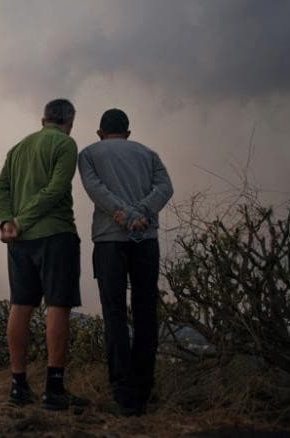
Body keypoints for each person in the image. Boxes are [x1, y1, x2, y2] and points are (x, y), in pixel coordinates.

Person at [0, 98, 88, 410]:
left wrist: (8, 221)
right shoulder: (65, 144)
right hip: (55, 235)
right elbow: (56, 190)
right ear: (69, 121)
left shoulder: (18, 148)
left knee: (20, 305)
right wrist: (19, 221)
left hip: (20, 242)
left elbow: (1, 188)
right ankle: (54, 389)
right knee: (57, 306)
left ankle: (18, 386)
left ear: (42, 119)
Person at [78, 108, 173, 416]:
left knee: (114, 313)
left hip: (109, 241)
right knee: (146, 312)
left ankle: (123, 392)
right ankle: (145, 390)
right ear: (128, 132)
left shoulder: (89, 154)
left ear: (100, 133)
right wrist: (141, 212)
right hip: (146, 239)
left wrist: (123, 214)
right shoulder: (149, 154)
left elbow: (96, 191)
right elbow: (165, 189)